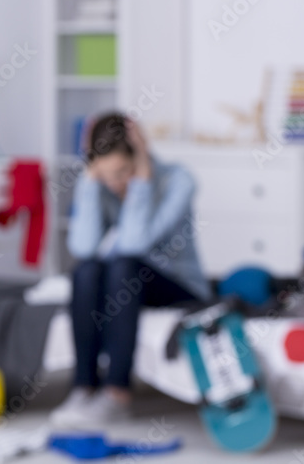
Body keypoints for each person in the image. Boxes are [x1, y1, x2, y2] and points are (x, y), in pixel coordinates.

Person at [50, 112, 210, 427]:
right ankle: (83, 388)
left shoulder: (179, 181)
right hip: (131, 283)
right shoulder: (102, 185)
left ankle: (117, 395)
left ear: (140, 155)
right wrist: (90, 183)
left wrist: (142, 182)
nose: (116, 182)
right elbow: (83, 247)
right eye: (106, 174)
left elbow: (135, 244)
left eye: (123, 171)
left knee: (122, 265)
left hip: (180, 286)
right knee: (86, 270)